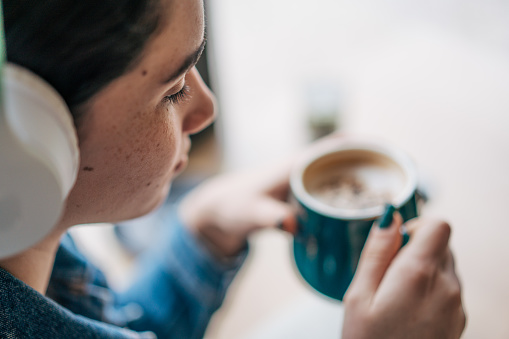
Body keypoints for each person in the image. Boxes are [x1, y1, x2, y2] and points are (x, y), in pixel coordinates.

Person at [0, 0, 465, 338]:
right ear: (27, 132)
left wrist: (202, 232)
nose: (207, 108)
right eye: (175, 87)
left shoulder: (30, 245)